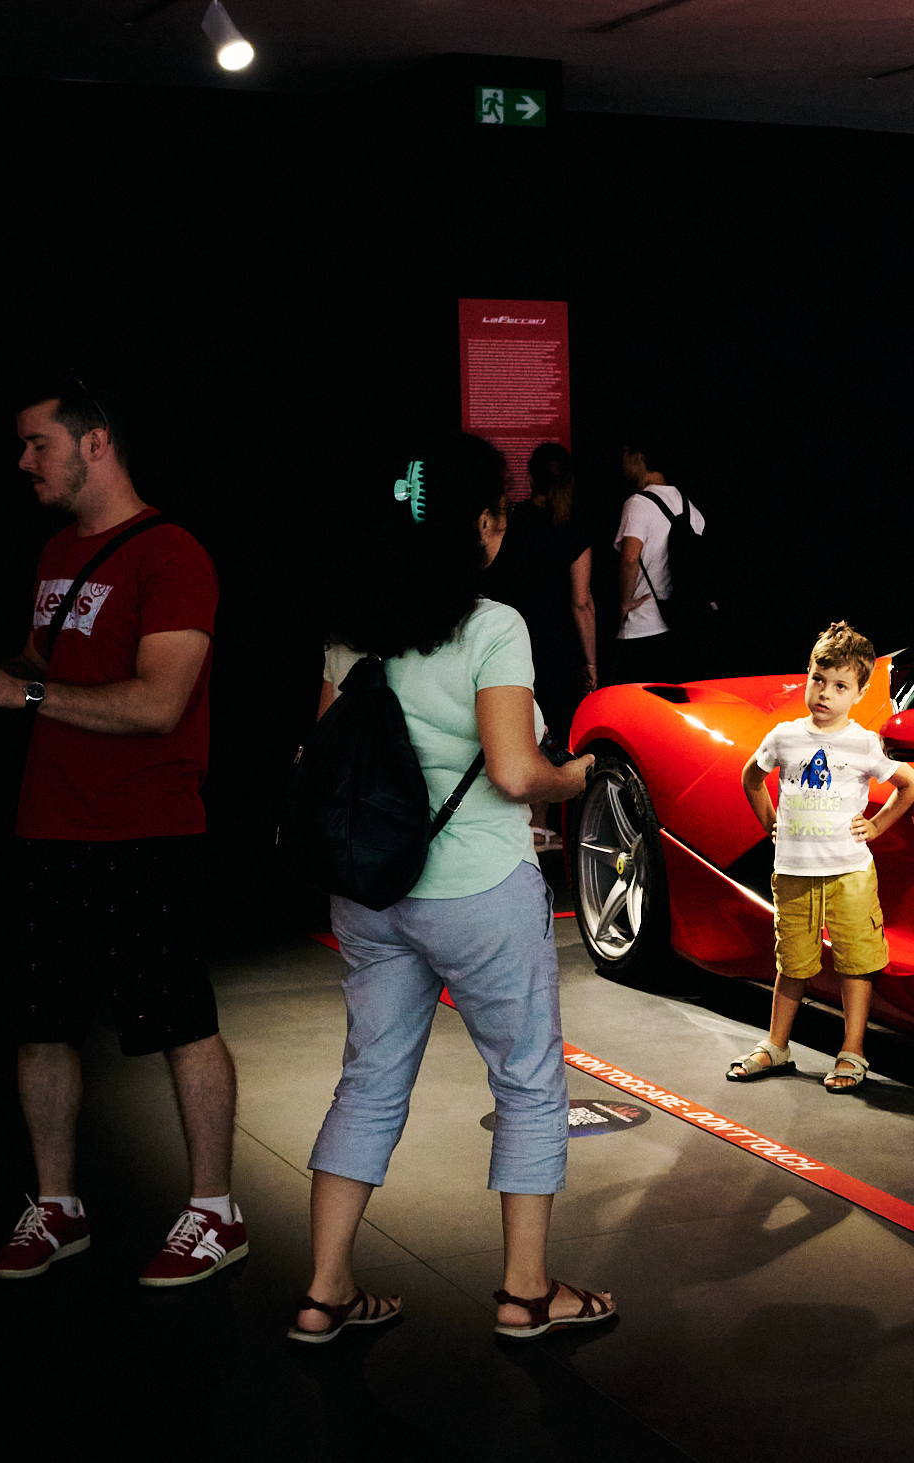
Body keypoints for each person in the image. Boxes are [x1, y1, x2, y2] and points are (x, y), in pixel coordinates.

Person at [291, 433, 609, 1343]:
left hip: (371, 893)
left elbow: (325, 762)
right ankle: (525, 1293)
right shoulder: (492, 626)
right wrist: (572, 774)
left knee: (369, 1082)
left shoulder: (351, 628)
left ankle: (323, 1293)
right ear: (482, 523)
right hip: (478, 891)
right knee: (527, 1084)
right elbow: (514, 770)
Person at [0, 377, 240, 1286]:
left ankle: (215, 1212)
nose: (24, 462)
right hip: (49, 824)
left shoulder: (174, 554)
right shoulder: (55, 553)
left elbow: (157, 702)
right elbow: (49, 662)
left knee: (182, 1021)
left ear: (94, 443)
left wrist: (20, 692)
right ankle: (57, 1206)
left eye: (37, 444)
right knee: (42, 1023)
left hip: (145, 828)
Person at [725, 622, 914, 1092]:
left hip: (849, 873)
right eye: (819, 679)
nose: (825, 694)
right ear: (808, 675)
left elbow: (909, 785)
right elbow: (751, 777)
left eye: (840, 686)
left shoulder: (863, 743)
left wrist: (875, 825)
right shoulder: (785, 736)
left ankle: (852, 1051)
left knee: (856, 962)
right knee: (792, 962)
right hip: (793, 873)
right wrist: (769, 822)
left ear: (859, 691)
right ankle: (776, 1046)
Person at [480, 440, 595, 848]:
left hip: (509, 638)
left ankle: (527, 823)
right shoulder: (574, 527)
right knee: (551, 731)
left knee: (517, 726)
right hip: (558, 644)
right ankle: (545, 824)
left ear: (530, 478)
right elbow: (581, 602)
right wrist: (591, 664)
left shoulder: (511, 522)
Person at [610, 436, 706, 686]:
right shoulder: (690, 508)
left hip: (641, 625)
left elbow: (630, 558)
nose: (621, 458)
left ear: (639, 457)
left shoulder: (637, 504)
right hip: (679, 625)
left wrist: (623, 603)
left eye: (625, 451)